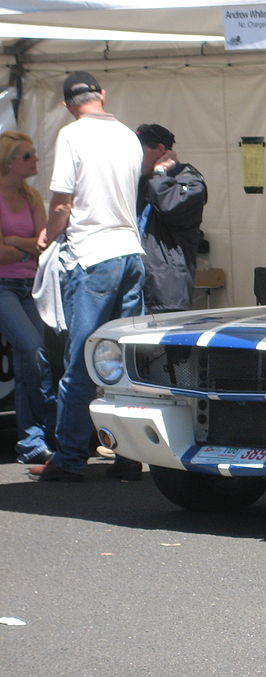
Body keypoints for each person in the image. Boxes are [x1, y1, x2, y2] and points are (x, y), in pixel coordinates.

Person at [30, 71, 145, 483]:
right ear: (102, 95)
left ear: (67, 104)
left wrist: (47, 233)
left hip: (93, 256)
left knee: (80, 360)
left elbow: (62, 201)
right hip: (131, 251)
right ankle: (130, 454)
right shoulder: (128, 136)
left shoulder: (72, 135)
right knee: (125, 361)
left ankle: (70, 457)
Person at [0, 131, 56, 465]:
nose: (35, 159)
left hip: (31, 286)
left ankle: (34, 439)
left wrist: (14, 241)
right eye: (27, 156)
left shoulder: (32, 194)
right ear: (9, 162)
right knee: (32, 350)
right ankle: (36, 436)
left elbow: (43, 243)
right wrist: (26, 246)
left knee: (33, 359)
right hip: (4, 286)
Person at [135, 123, 207, 313]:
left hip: (166, 288)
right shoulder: (141, 181)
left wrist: (160, 173)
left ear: (160, 150)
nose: (134, 158)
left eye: (139, 151)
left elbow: (170, 205)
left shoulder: (190, 181)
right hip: (137, 283)